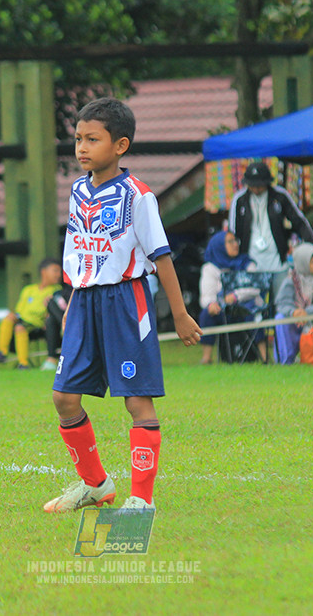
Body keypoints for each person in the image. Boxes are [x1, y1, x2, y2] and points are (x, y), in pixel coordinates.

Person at [43, 97, 201, 514]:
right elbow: (80, 251)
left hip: (126, 302)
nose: (81, 147)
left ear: (120, 145)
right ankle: (96, 484)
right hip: (84, 303)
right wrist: (73, 305)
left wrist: (180, 314)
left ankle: (141, 500)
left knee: (137, 401)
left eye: (92, 139)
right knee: (64, 397)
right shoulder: (78, 190)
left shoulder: (139, 196)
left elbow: (161, 256)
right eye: (78, 139)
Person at [228, 160, 313, 299]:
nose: (256, 189)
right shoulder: (239, 200)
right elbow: (232, 232)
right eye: (253, 185)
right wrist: (237, 261)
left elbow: (299, 222)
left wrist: (310, 245)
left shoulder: (280, 196)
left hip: (278, 263)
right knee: (255, 307)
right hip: (251, 264)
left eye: (260, 185)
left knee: (282, 301)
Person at [197, 230, 265, 364]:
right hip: (224, 310)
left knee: (255, 314)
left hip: (246, 304)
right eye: (230, 242)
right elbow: (206, 296)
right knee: (206, 314)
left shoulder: (246, 263)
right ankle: (206, 357)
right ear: (219, 246)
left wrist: (235, 296)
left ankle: (264, 357)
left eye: (235, 241)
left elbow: (255, 287)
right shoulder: (210, 268)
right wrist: (211, 305)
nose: (235, 245)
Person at [0, 258, 63, 369]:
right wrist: (15, 316)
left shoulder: (57, 290)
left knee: (20, 328)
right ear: (44, 272)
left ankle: (23, 363)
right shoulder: (28, 290)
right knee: (8, 318)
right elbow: (19, 310)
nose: (59, 274)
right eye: (55, 271)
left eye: (60, 271)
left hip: (39, 324)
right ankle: (2, 352)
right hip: (23, 321)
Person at [40, 284, 72, 371]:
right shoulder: (59, 292)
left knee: (51, 305)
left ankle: (51, 358)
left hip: (76, 318)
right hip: (63, 321)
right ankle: (65, 327)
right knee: (50, 320)